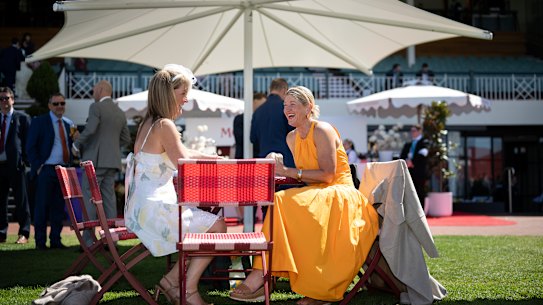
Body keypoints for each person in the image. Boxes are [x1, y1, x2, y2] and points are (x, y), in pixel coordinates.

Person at [229, 86, 379, 305]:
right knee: (281, 202)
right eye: (285, 105)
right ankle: (262, 275)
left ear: (308, 107)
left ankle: (267, 277)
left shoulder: (323, 129)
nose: (287, 109)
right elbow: (307, 177)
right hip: (320, 192)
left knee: (282, 201)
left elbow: (327, 175)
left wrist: (287, 172)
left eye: (293, 105)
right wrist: (277, 161)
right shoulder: (291, 138)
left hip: (342, 193)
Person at [124, 64, 227, 305]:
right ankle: (186, 290)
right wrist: (210, 159)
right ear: (169, 94)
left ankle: (172, 282)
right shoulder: (165, 125)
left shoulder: (148, 123)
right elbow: (184, 161)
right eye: (183, 94)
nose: (186, 99)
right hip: (153, 210)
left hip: (140, 208)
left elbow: (180, 153)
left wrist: (209, 157)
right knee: (218, 227)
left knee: (205, 228)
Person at [72, 80, 131, 246]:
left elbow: (90, 129)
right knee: (109, 199)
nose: (92, 92)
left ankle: (89, 241)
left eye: (94, 89)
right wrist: (110, 147)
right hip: (111, 161)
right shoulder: (119, 112)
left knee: (90, 197)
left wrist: (76, 144)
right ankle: (111, 240)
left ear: (101, 89)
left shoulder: (95, 107)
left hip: (95, 161)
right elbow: (126, 138)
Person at [26, 93, 77, 250]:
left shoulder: (69, 124)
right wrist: (38, 166)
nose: (60, 106)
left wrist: (77, 143)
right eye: (56, 104)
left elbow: (73, 149)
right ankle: (40, 242)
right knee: (41, 207)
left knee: (58, 208)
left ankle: (56, 240)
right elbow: (30, 147)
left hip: (63, 170)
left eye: (62, 103)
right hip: (46, 170)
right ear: (49, 106)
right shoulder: (39, 122)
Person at [0, 87, 31, 244]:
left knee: (21, 200)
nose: (4, 102)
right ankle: (1, 232)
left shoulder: (22, 118)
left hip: (16, 166)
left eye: (6, 98)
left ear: (12, 99)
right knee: (0, 201)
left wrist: (26, 161)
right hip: (0, 165)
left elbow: (28, 142)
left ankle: (24, 233)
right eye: (1, 99)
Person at [250, 78, 295, 167]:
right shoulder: (286, 109)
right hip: (285, 160)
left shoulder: (258, 111)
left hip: (264, 160)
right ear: (284, 90)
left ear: (270, 89)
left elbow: (253, 138)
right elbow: (294, 133)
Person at [399, 124, 429, 206]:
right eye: (411, 131)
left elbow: (423, 154)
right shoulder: (408, 144)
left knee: (420, 192)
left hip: (419, 172)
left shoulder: (424, 142)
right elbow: (402, 156)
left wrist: (412, 162)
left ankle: (421, 213)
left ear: (420, 131)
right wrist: (406, 162)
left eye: (414, 131)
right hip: (409, 172)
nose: (412, 133)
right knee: (410, 193)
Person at [233, 92, 266, 159]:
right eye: (261, 105)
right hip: (242, 159)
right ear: (253, 102)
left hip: (259, 159)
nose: (263, 108)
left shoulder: (264, 120)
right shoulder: (239, 119)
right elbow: (241, 139)